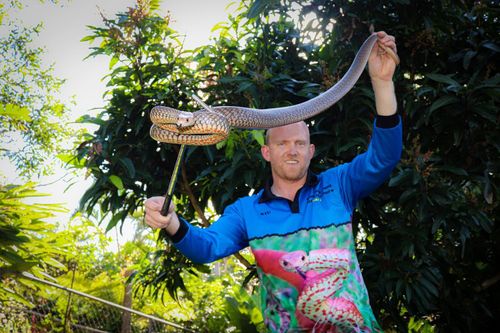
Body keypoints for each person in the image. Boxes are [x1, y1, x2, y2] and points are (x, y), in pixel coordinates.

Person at [145, 31, 402, 332]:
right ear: (266, 152)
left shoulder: (340, 186)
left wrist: (383, 82)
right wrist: (172, 221)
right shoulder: (247, 212)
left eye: (299, 143)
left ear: (311, 150)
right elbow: (208, 247)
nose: (292, 150)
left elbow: (384, 157)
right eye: (282, 144)